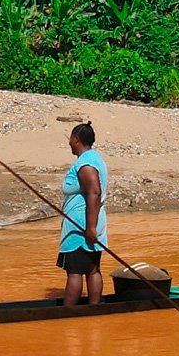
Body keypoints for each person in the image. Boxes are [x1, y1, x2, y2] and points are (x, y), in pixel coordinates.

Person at [58, 122, 108, 306]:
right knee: (92, 269)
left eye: (70, 139)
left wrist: (90, 227)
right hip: (92, 224)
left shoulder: (85, 164)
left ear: (76, 139)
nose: (69, 143)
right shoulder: (95, 159)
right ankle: (93, 311)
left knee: (75, 271)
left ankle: (69, 315)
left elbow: (94, 192)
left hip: (82, 227)